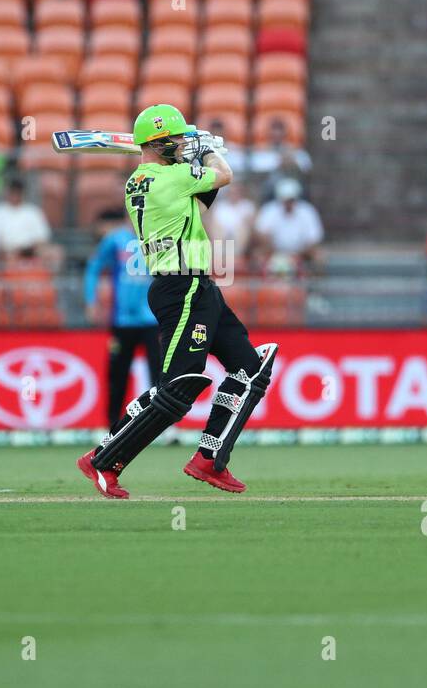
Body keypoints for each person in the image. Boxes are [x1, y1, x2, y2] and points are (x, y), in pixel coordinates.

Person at [76, 104, 278, 499]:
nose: (184, 142)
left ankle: (210, 458)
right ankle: (103, 459)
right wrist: (205, 149)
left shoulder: (143, 180)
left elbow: (201, 203)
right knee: (178, 388)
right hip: (181, 286)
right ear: (160, 142)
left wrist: (196, 153)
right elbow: (225, 174)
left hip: (197, 286)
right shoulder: (171, 177)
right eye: (179, 137)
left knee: (250, 369)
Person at [84, 209, 161, 426]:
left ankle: (161, 426)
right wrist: (91, 300)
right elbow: (94, 267)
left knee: (159, 375)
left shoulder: (160, 238)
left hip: (153, 319)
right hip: (123, 321)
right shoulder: (115, 240)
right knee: (117, 374)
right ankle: (112, 426)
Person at [252, 178, 323, 275]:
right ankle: (261, 288)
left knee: (319, 257)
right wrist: (274, 251)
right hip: (273, 251)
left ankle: (312, 287)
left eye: (291, 200)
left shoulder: (307, 211)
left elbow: (313, 239)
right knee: (257, 256)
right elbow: (260, 234)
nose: (288, 203)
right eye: (285, 200)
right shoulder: (269, 210)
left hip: (302, 252)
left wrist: (298, 255)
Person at [0, 178, 54, 265]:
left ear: (23, 193)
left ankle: (52, 278)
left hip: (29, 251)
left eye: (18, 191)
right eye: (13, 191)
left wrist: (26, 250)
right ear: (7, 192)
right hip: (5, 252)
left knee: (54, 253)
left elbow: (42, 238)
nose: (15, 195)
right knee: (8, 256)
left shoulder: (33, 212)